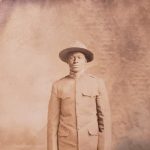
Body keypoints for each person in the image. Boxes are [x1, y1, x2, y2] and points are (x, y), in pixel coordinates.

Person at [47, 43, 111, 150]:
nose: (75, 60)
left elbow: (104, 120)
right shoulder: (58, 85)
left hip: (90, 143)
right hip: (66, 144)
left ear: (85, 61)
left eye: (79, 57)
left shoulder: (97, 83)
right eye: (72, 57)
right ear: (67, 61)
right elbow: (52, 123)